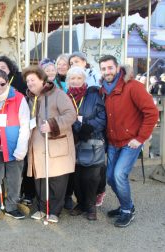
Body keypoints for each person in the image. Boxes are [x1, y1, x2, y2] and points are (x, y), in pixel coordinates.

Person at [99, 55, 158, 227]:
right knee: (110, 177)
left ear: (118, 68)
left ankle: (126, 210)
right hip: (113, 142)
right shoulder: (103, 89)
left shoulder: (133, 87)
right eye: (103, 69)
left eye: (110, 68)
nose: (107, 71)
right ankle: (127, 205)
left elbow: (152, 113)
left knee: (119, 175)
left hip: (130, 142)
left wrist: (140, 138)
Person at [23, 66, 76, 224]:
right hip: (37, 146)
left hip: (55, 143)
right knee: (40, 179)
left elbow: (71, 114)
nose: (30, 83)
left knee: (56, 180)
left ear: (42, 80)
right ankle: (41, 208)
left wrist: (53, 124)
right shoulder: (30, 98)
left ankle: (54, 211)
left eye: (33, 79)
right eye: (27, 81)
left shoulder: (58, 94)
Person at [0, 69, 30, 223]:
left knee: (14, 180)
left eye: (2, 83)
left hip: (14, 146)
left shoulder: (19, 98)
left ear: (7, 83)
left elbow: (25, 125)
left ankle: (11, 207)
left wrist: (21, 149)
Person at [65, 67, 106, 221]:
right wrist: (77, 128)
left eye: (78, 78)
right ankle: (81, 203)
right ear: (68, 81)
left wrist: (88, 127)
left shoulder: (94, 95)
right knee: (77, 176)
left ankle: (91, 206)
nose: (75, 81)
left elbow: (103, 116)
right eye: (72, 78)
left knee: (92, 176)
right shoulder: (66, 97)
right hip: (74, 140)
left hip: (92, 139)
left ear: (84, 80)